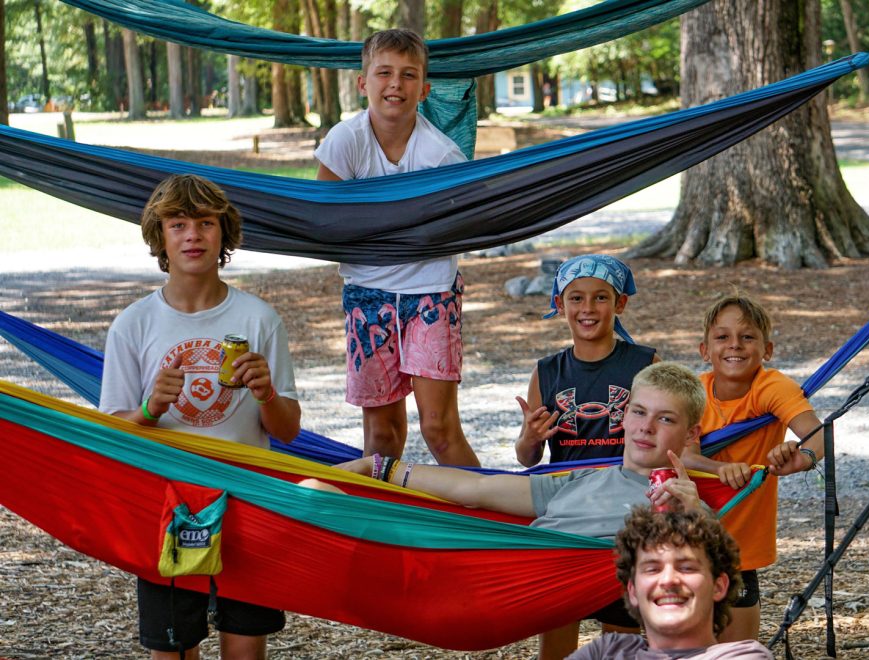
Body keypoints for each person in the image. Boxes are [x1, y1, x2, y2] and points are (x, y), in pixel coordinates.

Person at [304, 362, 710, 659]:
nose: (646, 427)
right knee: (333, 504)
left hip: (505, 587)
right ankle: (304, 517)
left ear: (691, 433)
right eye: (639, 412)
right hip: (486, 569)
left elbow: (711, 576)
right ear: (623, 416)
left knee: (324, 505)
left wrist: (694, 518)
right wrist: (381, 468)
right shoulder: (581, 478)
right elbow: (477, 488)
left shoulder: (681, 504)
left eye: (666, 419)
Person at [99, 174, 302, 660]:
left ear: (223, 235)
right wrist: (149, 411)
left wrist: (268, 393)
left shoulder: (258, 318)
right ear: (160, 238)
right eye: (178, 224)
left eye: (206, 223)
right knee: (173, 649)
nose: (193, 235)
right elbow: (107, 435)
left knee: (246, 649)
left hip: (249, 497)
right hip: (167, 504)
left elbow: (288, 429)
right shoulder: (134, 325)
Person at [314, 28, 478, 467]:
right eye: (384, 72)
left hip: (432, 292)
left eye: (408, 76)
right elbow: (323, 221)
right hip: (367, 294)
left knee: (439, 428)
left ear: (424, 89)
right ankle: (383, 524)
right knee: (381, 434)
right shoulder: (344, 142)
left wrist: (375, 228)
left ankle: (490, 520)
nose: (395, 84)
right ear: (362, 82)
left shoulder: (441, 154)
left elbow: (457, 225)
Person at [681, 293, 825, 642]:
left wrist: (802, 459)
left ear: (767, 349)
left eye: (747, 337)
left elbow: (821, 436)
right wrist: (719, 469)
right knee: (685, 643)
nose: (735, 346)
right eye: (723, 337)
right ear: (705, 350)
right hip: (686, 540)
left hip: (739, 547)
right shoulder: (694, 392)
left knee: (739, 650)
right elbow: (684, 456)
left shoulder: (770, 386)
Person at [568, 507, 773, 659]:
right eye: (652, 569)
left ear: (718, 586)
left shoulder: (743, 656)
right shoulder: (607, 650)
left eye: (687, 568)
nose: (668, 580)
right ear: (632, 591)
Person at [515, 254, 658, 468]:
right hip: (565, 489)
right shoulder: (546, 372)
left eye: (600, 297)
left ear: (620, 303)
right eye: (576, 298)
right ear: (559, 304)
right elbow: (527, 459)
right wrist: (531, 438)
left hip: (630, 488)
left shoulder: (647, 365)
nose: (588, 308)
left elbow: (671, 436)